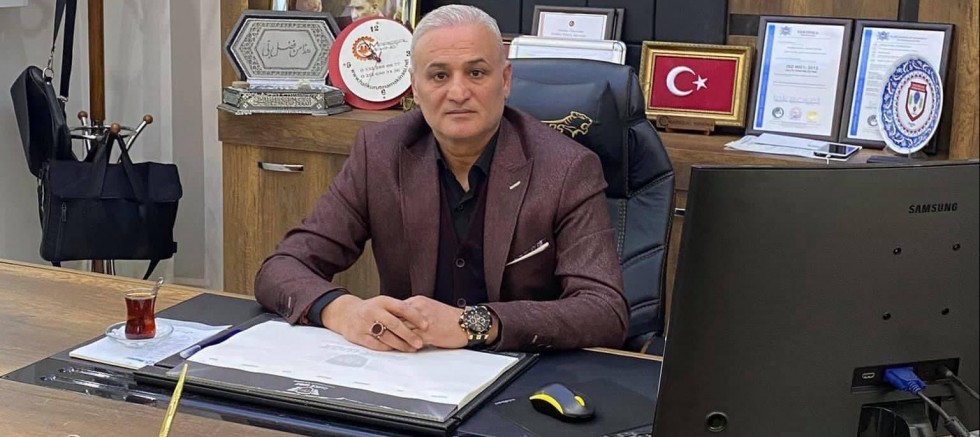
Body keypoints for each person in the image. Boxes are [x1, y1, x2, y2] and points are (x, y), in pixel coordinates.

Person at [254, 5, 627, 353]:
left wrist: (474, 324)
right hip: (411, 366)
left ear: (505, 80)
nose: (458, 93)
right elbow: (281, 269)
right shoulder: (380, 153)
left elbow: (604, 310)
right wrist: (343, 310)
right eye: (439, 75)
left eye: (476, 73)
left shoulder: (566, 168)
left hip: (519, 368)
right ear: (415, 87)